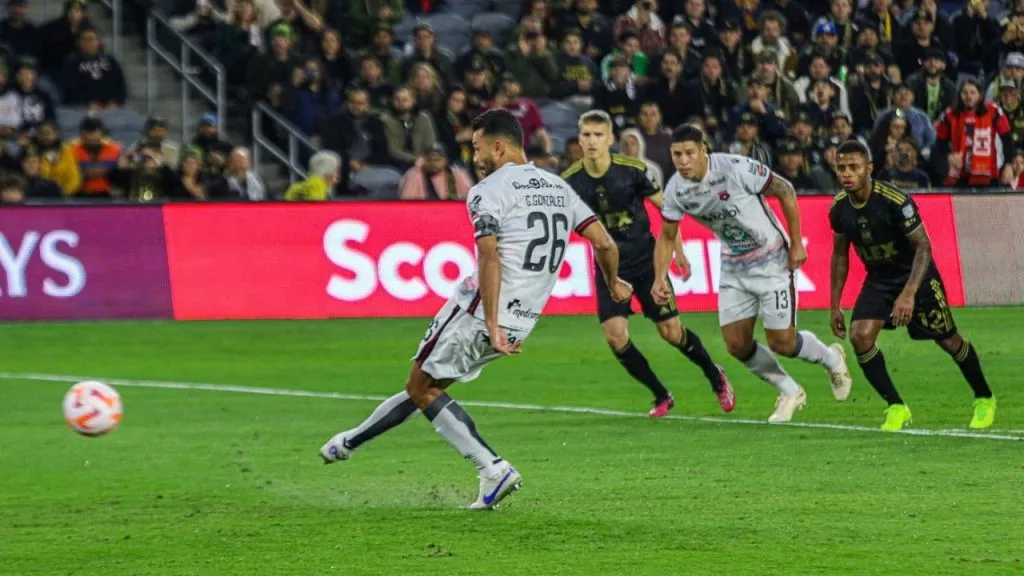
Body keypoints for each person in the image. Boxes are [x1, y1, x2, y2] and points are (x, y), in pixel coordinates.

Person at [319, 109, 632, 510]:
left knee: (422, 388)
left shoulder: (488, 190)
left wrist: (490, 322)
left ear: (498, 146)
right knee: (426, 387)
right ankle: (349, 442)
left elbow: (489, 257)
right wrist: (614, 283)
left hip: (479, 313)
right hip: (523, 320)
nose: (474, 155)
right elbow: (605, 244)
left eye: (477, 146)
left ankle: (492, 468)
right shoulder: (559, 188)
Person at [653, 125, 853, 424]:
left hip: (772, 260)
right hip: (734, 266)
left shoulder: (734, 168)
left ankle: (831, 358)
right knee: (736, 344)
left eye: (689, 153)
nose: (683, 161)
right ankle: (790, 391)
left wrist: (796, 243)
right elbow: (667, 235)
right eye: (677, 154)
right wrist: (659, 278)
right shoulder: (675, 189)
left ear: (703, 150)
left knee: (782, 343)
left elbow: (785, 190)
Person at [562, 111, 733, 417]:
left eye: (598, 135)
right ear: (580, 138)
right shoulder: (570, 181)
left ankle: (714, 375)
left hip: (646, 261)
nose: (591, 141)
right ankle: (660, 394)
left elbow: (668, 211)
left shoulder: (632, 171)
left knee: (671, 333)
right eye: (586, 135)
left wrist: (678, 252)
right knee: (615, 336)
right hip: (609, 268)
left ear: (610, 138)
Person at [829, 140, 996, 431]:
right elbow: (840, 255)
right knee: (859, 336)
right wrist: (835, 305)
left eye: (854, 167)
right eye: (841, 168)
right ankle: (896, 407)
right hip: (879, 278)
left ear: (869, 168)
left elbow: (923, 247)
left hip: (916, 275)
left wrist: (908, 294)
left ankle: (984, 398)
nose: (847, 173)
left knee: (948, 340)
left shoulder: (895, 200)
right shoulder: (839, 209)